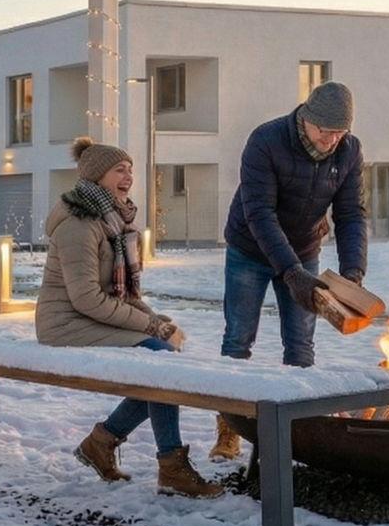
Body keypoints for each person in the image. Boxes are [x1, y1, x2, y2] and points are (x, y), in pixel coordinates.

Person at [39, 137, 221, 499]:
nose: (128, 177)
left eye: (130, 170)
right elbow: (87, 299)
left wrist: (156, 320)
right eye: (119, 170)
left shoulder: (114, 221)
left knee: (161, 361)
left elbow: (125, 295)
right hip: (65, 323)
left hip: (89, 317)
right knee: (160, 361)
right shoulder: (79, 225)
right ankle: (170, 466)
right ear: (96, 177)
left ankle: (102, 442)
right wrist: (151, 327)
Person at [210, 81, 366, 460]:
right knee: (238, 339)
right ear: (306, 118)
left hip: (305, 247)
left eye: (340, 132)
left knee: (300, 343)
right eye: (325, 131)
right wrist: (291, 272)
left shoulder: (349, 151)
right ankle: (229, 430)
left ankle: (298, 432)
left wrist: (352, 273)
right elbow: (259, 212)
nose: (331, 140)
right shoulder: (266, 141)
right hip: (250, 247)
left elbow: (350, 214)